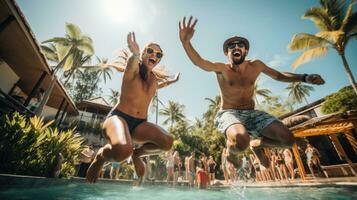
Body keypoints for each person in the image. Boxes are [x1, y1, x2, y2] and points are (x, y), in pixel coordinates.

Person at [178, 16, 325, 169]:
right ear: (226, 53)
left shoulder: (256, 66)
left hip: (252, 113)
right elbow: (199, 62)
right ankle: (231, 152)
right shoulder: (222, 69)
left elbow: (279, 75)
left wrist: (305, 77)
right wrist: (186, 42)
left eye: (240, 45)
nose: (235, 47)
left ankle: (257, 144)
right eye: (231, 47)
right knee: (241, 140)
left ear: (245, 50)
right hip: (229, 113)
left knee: (288, 140)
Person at [86, 32, 177, 183]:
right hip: (118, 117)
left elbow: (160, 85)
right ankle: (101, 157)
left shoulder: (153, 80)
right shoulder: (132, 70)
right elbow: (131, 64)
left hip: (139, 125)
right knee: (122, 151)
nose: (154, 54)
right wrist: (134, 54)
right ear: (143, 53)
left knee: (167, 142)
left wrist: (172, 81)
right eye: (150, 51)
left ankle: (137, 154)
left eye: (158, 54)